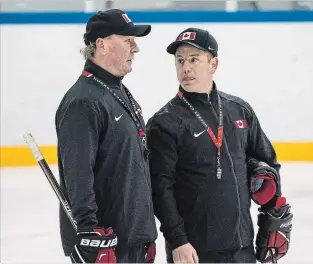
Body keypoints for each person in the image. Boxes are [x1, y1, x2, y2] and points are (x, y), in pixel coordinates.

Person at [146, 28, 293, 263]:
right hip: (194, 251)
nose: (186, 68)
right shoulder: (165, 123)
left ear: (213, 64)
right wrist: (178, 241)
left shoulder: (239, 110)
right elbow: (160, 189)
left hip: (243, 247)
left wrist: (272, 215)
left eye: (194, 59)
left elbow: (269, 165)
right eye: (180, 60)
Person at [55, 9, 158, 263]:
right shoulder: (83, 102)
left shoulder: (118, 90)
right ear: (101, 45)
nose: (136, 49)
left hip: (131, 239)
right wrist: (90, 234)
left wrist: (145, 233)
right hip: (106, 245)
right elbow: (78, 176)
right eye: (127, 40)